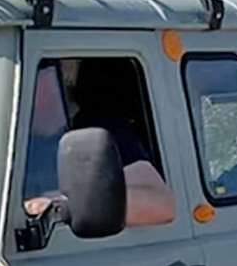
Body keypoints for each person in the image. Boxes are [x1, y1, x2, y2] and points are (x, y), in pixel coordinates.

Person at [21, 64, 177, 227]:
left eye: (41, 70)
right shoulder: (4, 143)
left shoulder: (103, 133)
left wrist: (61, 205)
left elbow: (161, 203)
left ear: (63, 78)